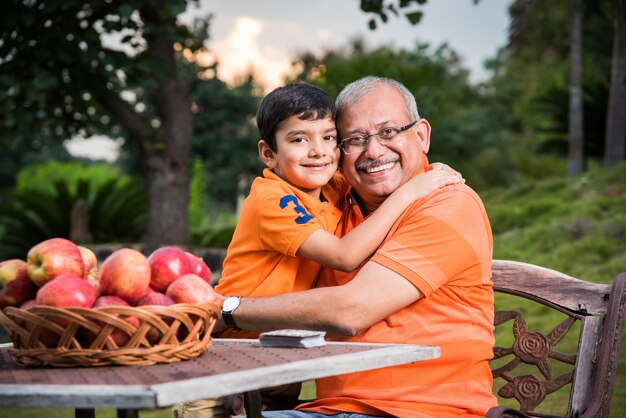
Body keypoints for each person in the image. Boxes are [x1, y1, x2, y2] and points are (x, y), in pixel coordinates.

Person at [172, 83, 462, 418]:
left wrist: (427, 171)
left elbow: (374, 168)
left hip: (273, 356)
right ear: (268, 154)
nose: (318, 151)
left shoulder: (330, 185)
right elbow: (343, 255)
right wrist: (411, 191)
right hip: (227, 353)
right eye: (299, 140)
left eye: (328, 137)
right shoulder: (274, 199)